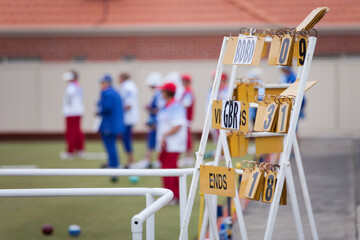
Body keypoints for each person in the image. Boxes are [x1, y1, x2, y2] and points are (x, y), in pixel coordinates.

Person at [156, 82, 187, 205]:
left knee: (169, 169)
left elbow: (178, 124)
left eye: (162, 91)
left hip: (173, 144)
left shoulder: (176, 106)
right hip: (167, 144)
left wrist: (165, 135)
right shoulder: (167, 106)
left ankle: (172, 196)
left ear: (167, 92)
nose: (161, 93)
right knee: (166, 167)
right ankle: (171, 195)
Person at [96, 75, 124, 177]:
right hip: (116, 124)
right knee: (113, 145)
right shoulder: (116, 92)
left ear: (106, 83)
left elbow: (106, 108)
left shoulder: (106, 93)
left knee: (110, 145)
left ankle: (113, 165)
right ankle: (114, 164)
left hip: (108, 124)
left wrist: (98, 112)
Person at [136, 72, 164, 169]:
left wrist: (149, 109)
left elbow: (160, 109)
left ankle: (153, 160)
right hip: (155, 122)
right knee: (153, 141)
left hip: (156, 122)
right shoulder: (157, 94)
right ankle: (150, 160)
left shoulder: (159, 94)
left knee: (156, 141)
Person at [61, 70, 85, 159]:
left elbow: (69, 99)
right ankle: (80, 150)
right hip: (78, 111)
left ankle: (70, 151)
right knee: (77, 131)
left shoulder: (71, 86)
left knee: (71, 132)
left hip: (71, 112)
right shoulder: (77, 85)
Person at [118, 72, 139, 168]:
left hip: (127, 118)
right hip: (128, 117)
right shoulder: (128, 86)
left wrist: (117, 110)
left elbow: (129, 104)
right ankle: (130, 161)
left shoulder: (128, 87)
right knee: (126, 139)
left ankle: (131, 162)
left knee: (126, 139)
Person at [178, 74, 195, 167]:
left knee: (187, 138)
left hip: (186, 117)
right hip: (185, 117)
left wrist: (177, 104)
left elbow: (186, 104)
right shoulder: (186, 91)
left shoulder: (188, 91)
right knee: (186, 137)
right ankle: (188, 156)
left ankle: (189, 157)